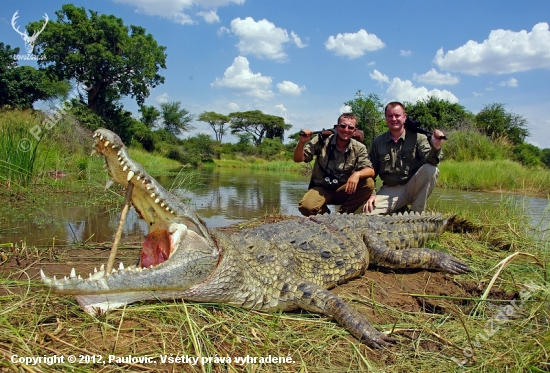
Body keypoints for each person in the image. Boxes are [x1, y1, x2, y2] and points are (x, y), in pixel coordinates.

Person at [364, 102, 445, 215]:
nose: (394, 119)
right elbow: (370, 170)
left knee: (431, 169)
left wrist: (436, 146)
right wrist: (372, 194)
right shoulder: (378, 141)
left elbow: (431, 161)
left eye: (397, 115)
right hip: (390, 190)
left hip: (412, 187)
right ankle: (399, 209)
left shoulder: (418, 137)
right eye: (390, 116)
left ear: (404, 117)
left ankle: (416, 213)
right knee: (367, 215)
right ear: (385, 118)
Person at [294, 113, 375, 216]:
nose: (346, 130)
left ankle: (342, 215)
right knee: (306, 207)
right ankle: (325, 215)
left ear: (354, 131)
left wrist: (357, 175)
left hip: (345, 189)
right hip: (321, 188)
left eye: (350, 127)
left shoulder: (359, 147)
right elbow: (298, 159)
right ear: (336, 127)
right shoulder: (321, 140)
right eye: (342, 126)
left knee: (369, 182)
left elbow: (370, 171)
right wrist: (301, 143)